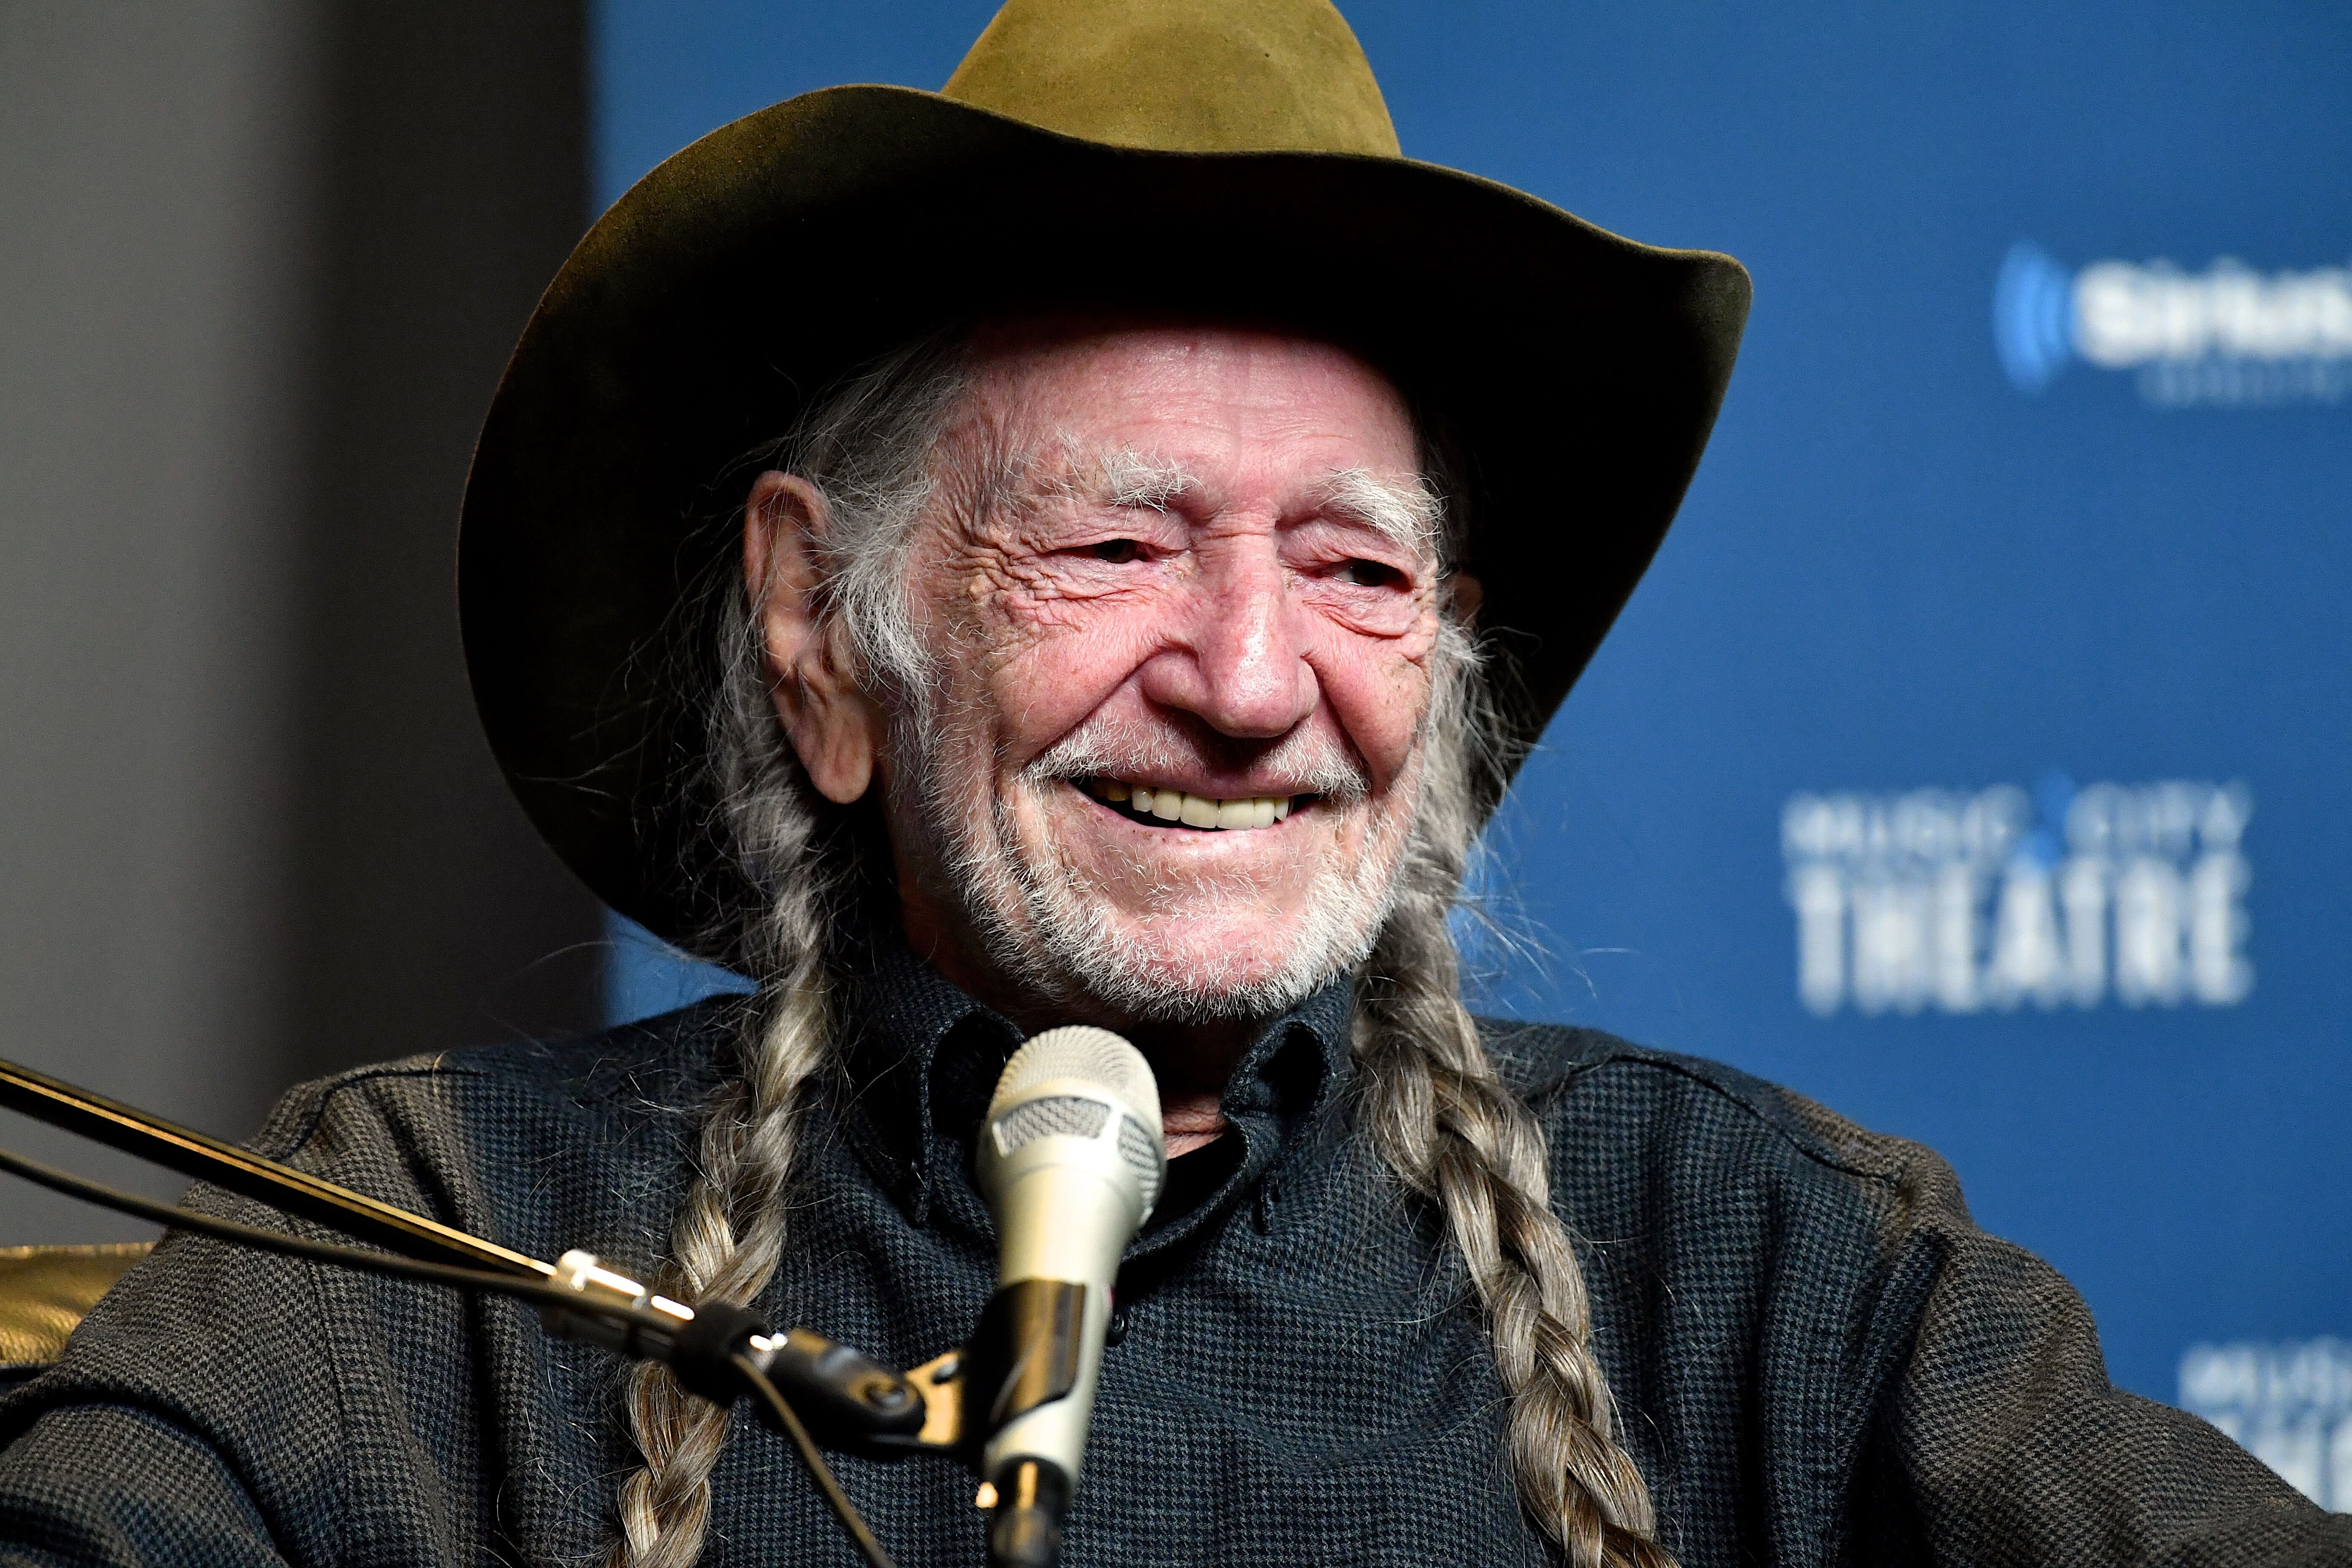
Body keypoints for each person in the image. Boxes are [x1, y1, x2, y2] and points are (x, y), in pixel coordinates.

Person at [2, 3, 2343, 1565]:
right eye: (1113, 545)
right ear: (827, 628)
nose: (1248, 682)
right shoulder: (423, 1253)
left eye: (1353, 567)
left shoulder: (1763, 1271)